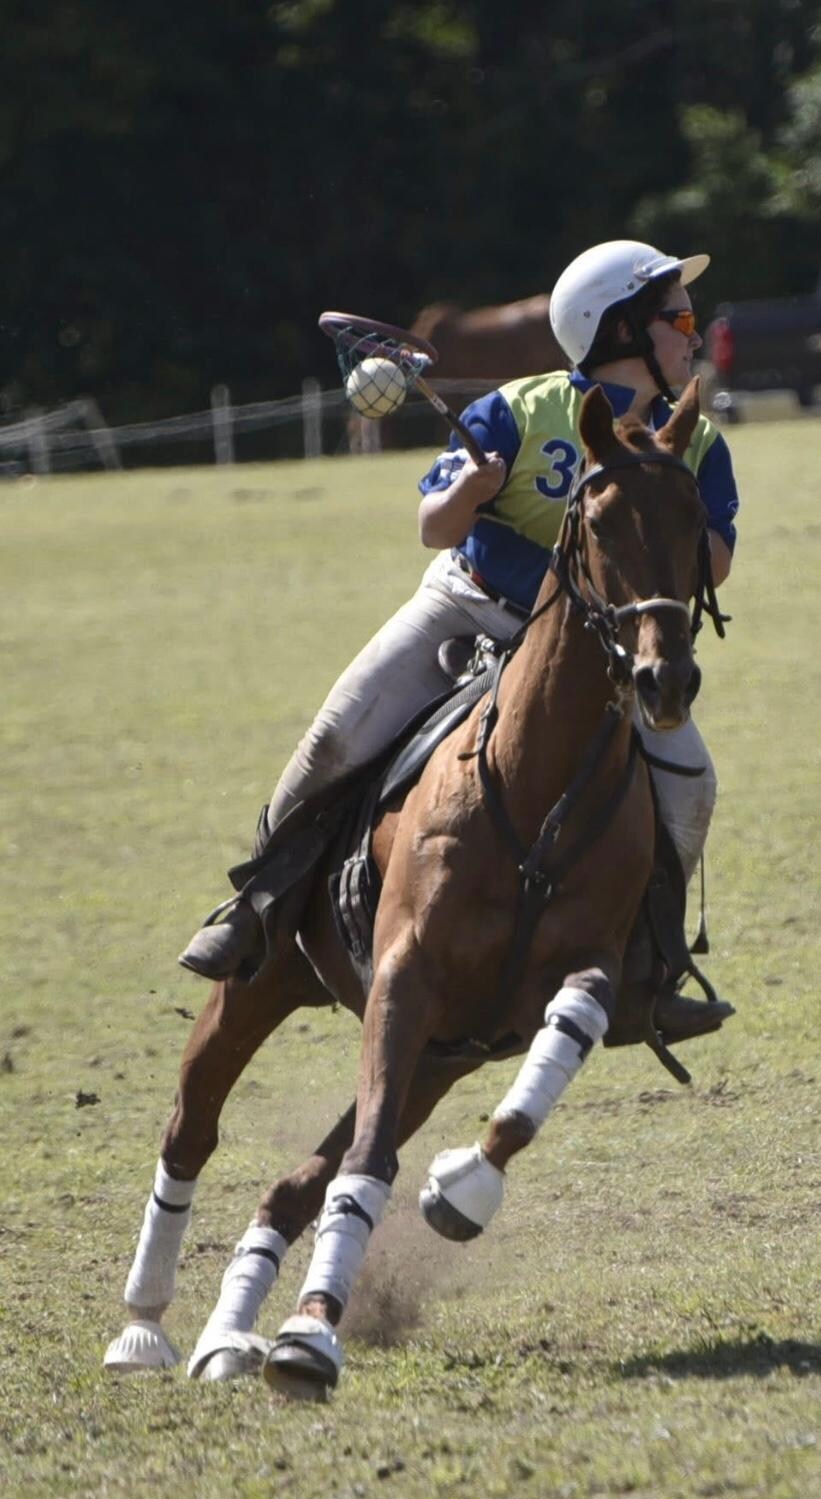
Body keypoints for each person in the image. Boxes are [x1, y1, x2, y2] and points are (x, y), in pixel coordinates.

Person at [180, 239, 739, 1041]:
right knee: (334, 741)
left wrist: (669, 502)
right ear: (617, 330)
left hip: (594, 653)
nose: (694, 332)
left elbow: (716, 560)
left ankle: (651, 963)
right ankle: (256, 908)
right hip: (466, 610)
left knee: (692, 787)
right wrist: (473, 492)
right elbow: (433, 527)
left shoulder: (696, 440)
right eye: (677, 317)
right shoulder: (517, 410)